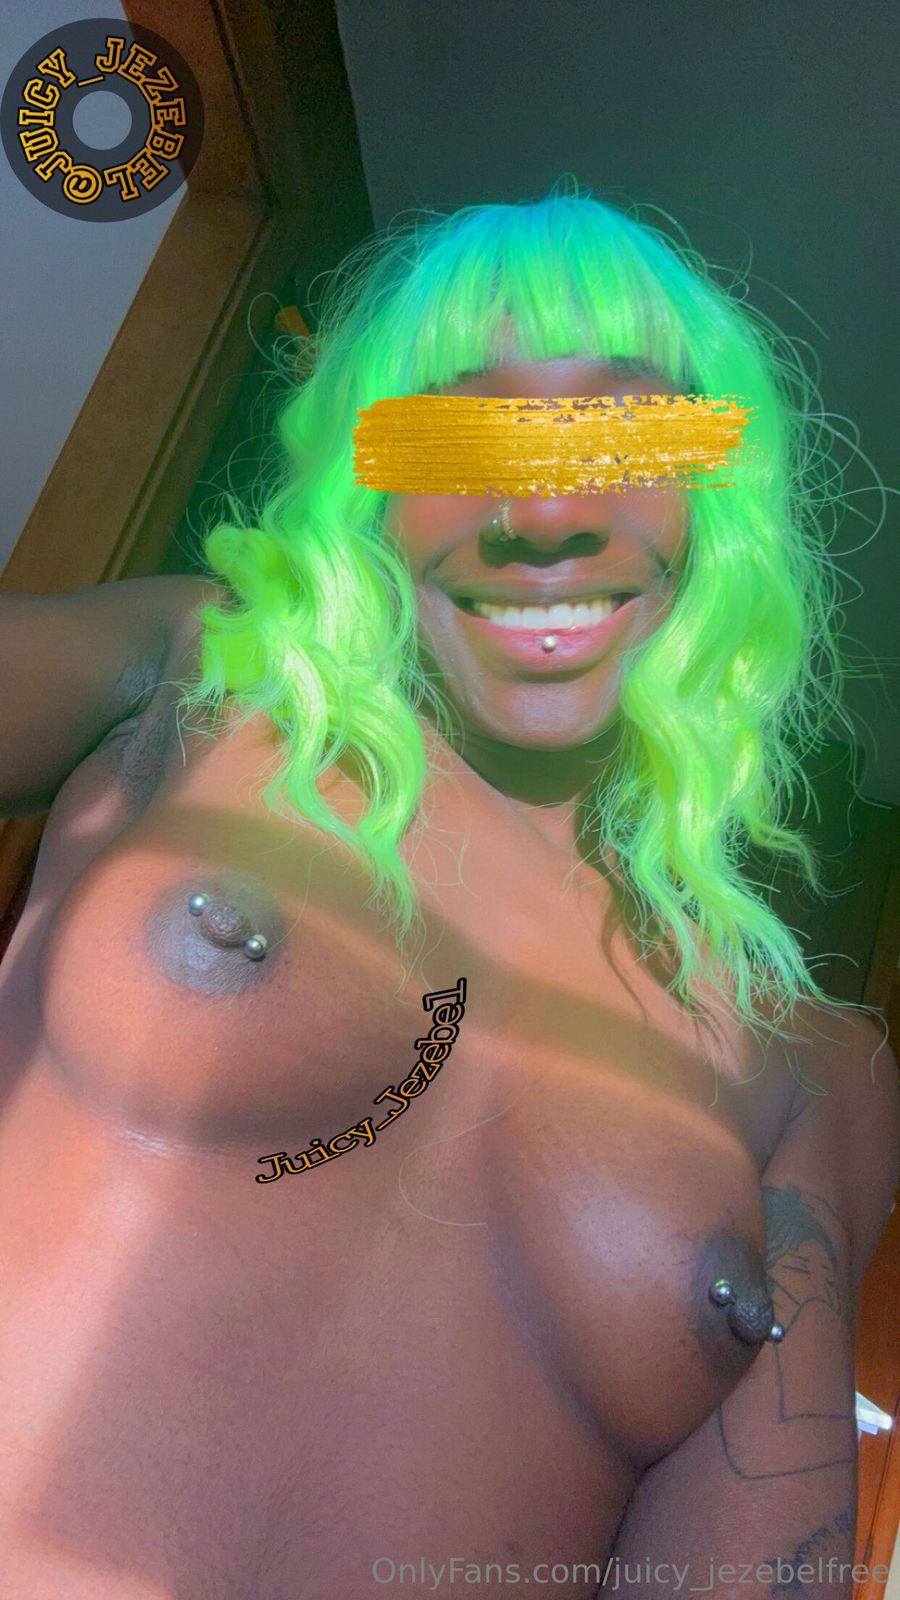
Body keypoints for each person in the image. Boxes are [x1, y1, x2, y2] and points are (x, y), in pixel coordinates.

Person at [0, 179, 897, 1599]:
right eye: (457, 436)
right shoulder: (208, 682)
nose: (542, 509)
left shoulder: (807, 1063)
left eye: (628, 438)